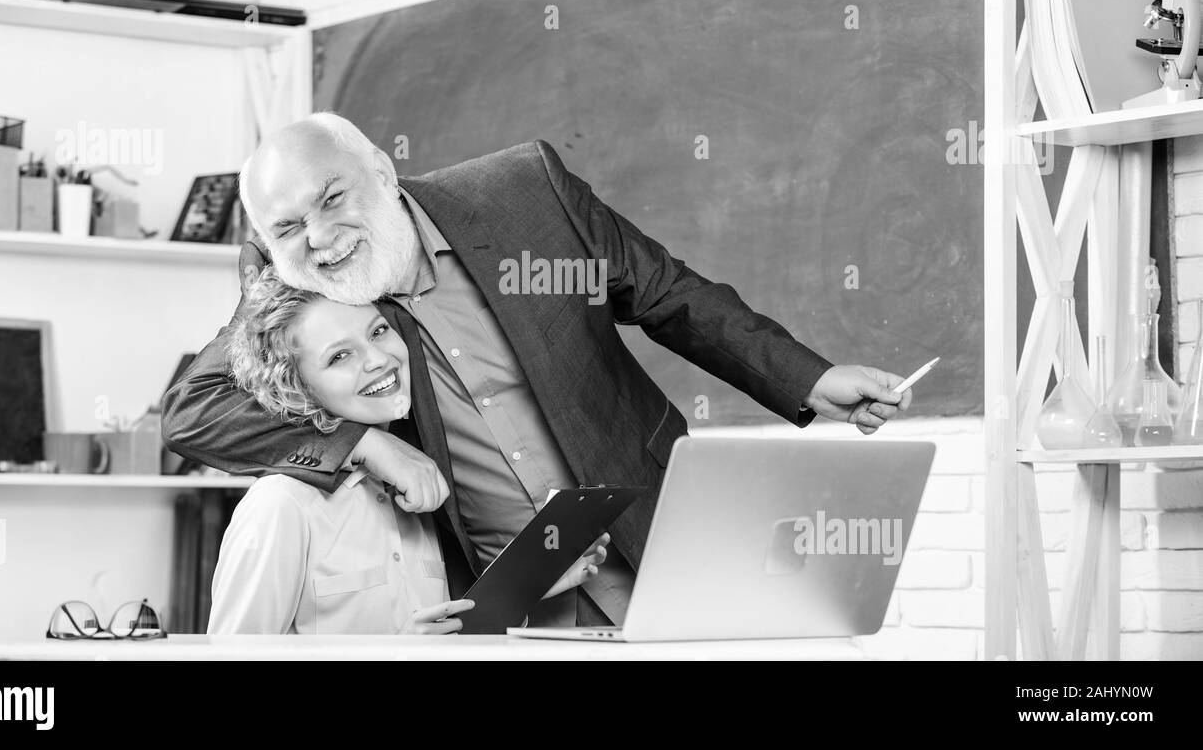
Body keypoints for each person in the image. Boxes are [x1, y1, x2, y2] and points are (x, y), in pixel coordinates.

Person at [165, 113, 914, 628]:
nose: (321, 238)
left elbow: (665, 293)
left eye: (332, 199)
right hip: (511, 599)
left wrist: (809, 379)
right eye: (289, 228)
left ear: (382, 171)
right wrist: (362, 444)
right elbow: (189, 410)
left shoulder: (523, 194)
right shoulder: (308, 293)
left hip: (650, 525)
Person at [207, 267, 606, 634]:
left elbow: (443, 634)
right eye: (340, 356)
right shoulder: (281, 505)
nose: (379, 360)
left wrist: (526, 584)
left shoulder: (416, 484)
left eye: (378, 332)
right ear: (296, 390)